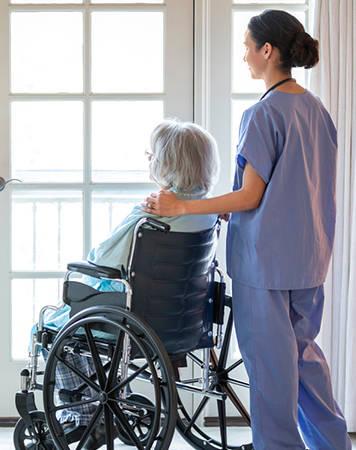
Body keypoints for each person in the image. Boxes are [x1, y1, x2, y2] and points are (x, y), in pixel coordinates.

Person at [143, 10, 351, 450]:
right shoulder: (317, 111)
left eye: (246, 47)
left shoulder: (262, 114)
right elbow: (296, 189)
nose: (244, 56)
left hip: (266, 266)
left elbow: (251, 196)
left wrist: (184, 204)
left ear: (267, 51)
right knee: (305, 363)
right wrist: (230, 208)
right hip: (309, 259)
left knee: (272, 375)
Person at [39, 118, 220, 449]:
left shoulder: (151, 212)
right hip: (181, 319)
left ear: (167, 162)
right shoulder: (208, 212)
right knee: (93, 324)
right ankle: (106, 403)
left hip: (133, 318)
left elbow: (103, 258)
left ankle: (82, 415)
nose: (148, 158)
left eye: (152, 153)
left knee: (51, 329)